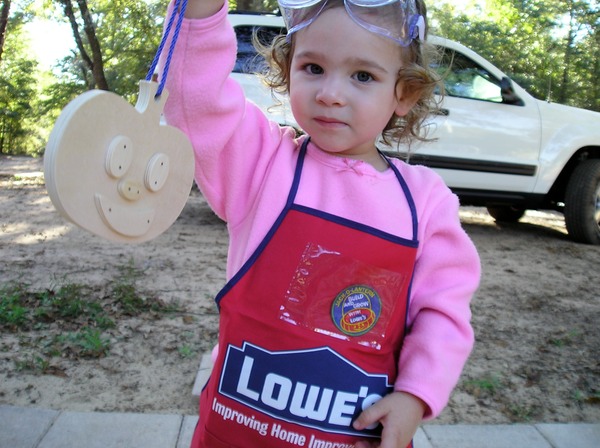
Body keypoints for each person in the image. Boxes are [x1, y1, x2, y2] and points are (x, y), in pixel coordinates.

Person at [159, 0, 480, 446]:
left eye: (362, 76)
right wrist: (201, 13)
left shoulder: (425, 202)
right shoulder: (262, 165)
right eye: (312, 68)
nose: (330, 93)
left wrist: (415, 395)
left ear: (404, 94)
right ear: (289, 69)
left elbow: (442, 314)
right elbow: (197, 100)